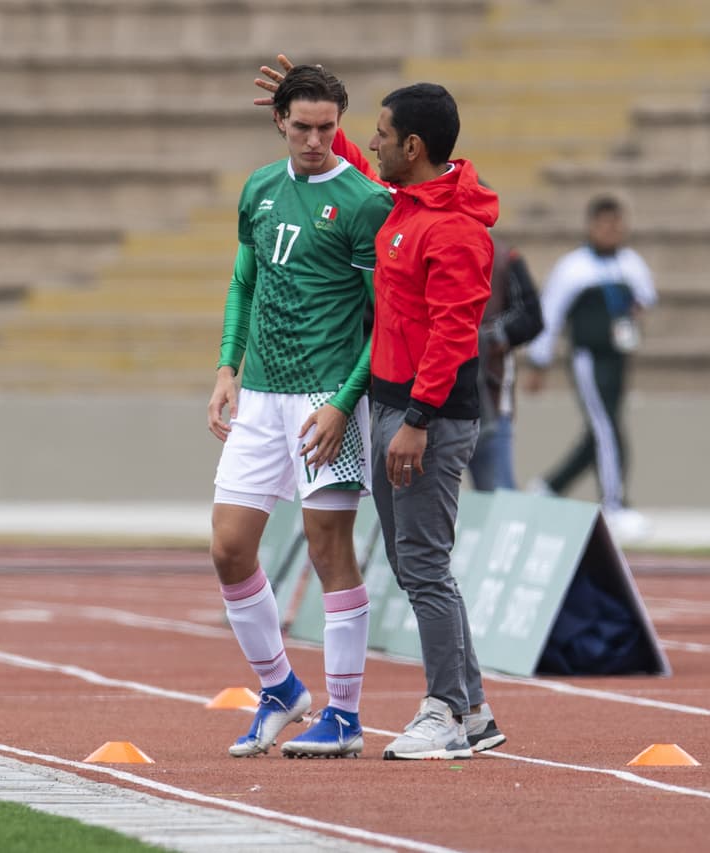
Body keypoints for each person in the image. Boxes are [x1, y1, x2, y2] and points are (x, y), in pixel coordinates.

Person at [257, 57, 508, 761]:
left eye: (381, 134)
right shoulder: (406, 205)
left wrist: (419, 424)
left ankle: (446, 711)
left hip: (426, 417)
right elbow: (354, 169)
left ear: (414, 148)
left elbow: (455, 335)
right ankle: (476, 707)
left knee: (424, 565)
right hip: (394, 405)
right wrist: (301, 119)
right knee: (414, 563)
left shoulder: (454, 230)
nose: (370, 144)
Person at [208, 65, 393, 759]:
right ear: (279, 122)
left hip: (325, 398)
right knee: (228, 546)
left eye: (328, 126)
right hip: (260, 395)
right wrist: (228, 367)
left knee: (327, 549)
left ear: (339, 122)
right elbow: (242, 281)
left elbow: (386, 322)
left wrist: (346, 404)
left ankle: (344, 715)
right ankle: (281, 688)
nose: (316, 138)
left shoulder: (365, 202)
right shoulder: (258, 189)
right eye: (303, 126)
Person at [523, 194, 657, 540]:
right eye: (604, 223)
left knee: (601, 430)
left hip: (618, 357)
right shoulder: (574, 267)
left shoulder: (630, 263)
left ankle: (549, 488)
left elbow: (646, 297)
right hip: (587, 358)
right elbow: (550, 314)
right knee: (607, 428)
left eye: (616, 224)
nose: (611, 230)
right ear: (591, 226)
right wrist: (539, 361)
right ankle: (615, 505)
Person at [467, 232, 543, 492]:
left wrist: (488, 337)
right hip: (429, 399)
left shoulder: (504, 258)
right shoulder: (422, 245)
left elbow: (532, 316)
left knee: (497, 491)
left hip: (490, 391)